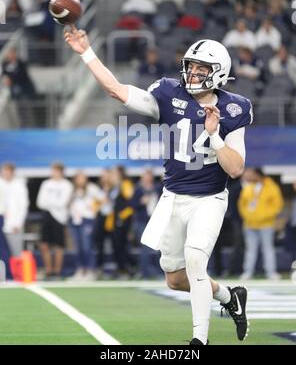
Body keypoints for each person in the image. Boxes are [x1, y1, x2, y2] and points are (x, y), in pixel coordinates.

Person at [64, 27, 253, 345]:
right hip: (173, 196)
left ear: (218, 74)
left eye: (201, 69)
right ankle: (228, 297)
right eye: (191, 66)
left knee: (196, 259)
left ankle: (199, 341)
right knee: (176, 280)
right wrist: (86, 52)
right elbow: (115, 89)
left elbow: (235, 168)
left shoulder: (234, 108)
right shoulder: (167, 93)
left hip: (209, 198)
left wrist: (215, 133)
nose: (192, 73)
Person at [238, 168, 284, 280]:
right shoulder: (249, 187)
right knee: (250, 249)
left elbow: (277, 205)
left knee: (268, 249)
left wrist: (264, 217)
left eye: (252, 174)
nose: (250, 176)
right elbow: (242, 204)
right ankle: (248, 272)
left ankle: (271, 272)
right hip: (249, 224)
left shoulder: (272, 187)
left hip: (266, 224)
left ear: (258, 175)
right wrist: (247, 216)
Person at [37, 163, 73, 279]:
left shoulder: (67, 185)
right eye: (53, 171)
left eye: (56, 171)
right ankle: (49, 271)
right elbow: (40, 203)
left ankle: (57, 272)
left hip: (60, 218)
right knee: (44, 245)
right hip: (47, 216)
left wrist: (50, 202)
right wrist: (54, 203)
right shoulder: (46, 184)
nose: (53, 173)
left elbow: (62, 203)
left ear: (61, 172)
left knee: (59, 246)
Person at [69, 171, 105, 281]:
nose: (80, 180)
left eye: (82, 178)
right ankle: (80, 269)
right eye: (78, 178)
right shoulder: (73, 189)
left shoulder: (91, 188)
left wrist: (94, 209)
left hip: (87, 220)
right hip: (75, 220)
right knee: (78, 246)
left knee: (87, 246)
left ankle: (90, 270)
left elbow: (103, 198)